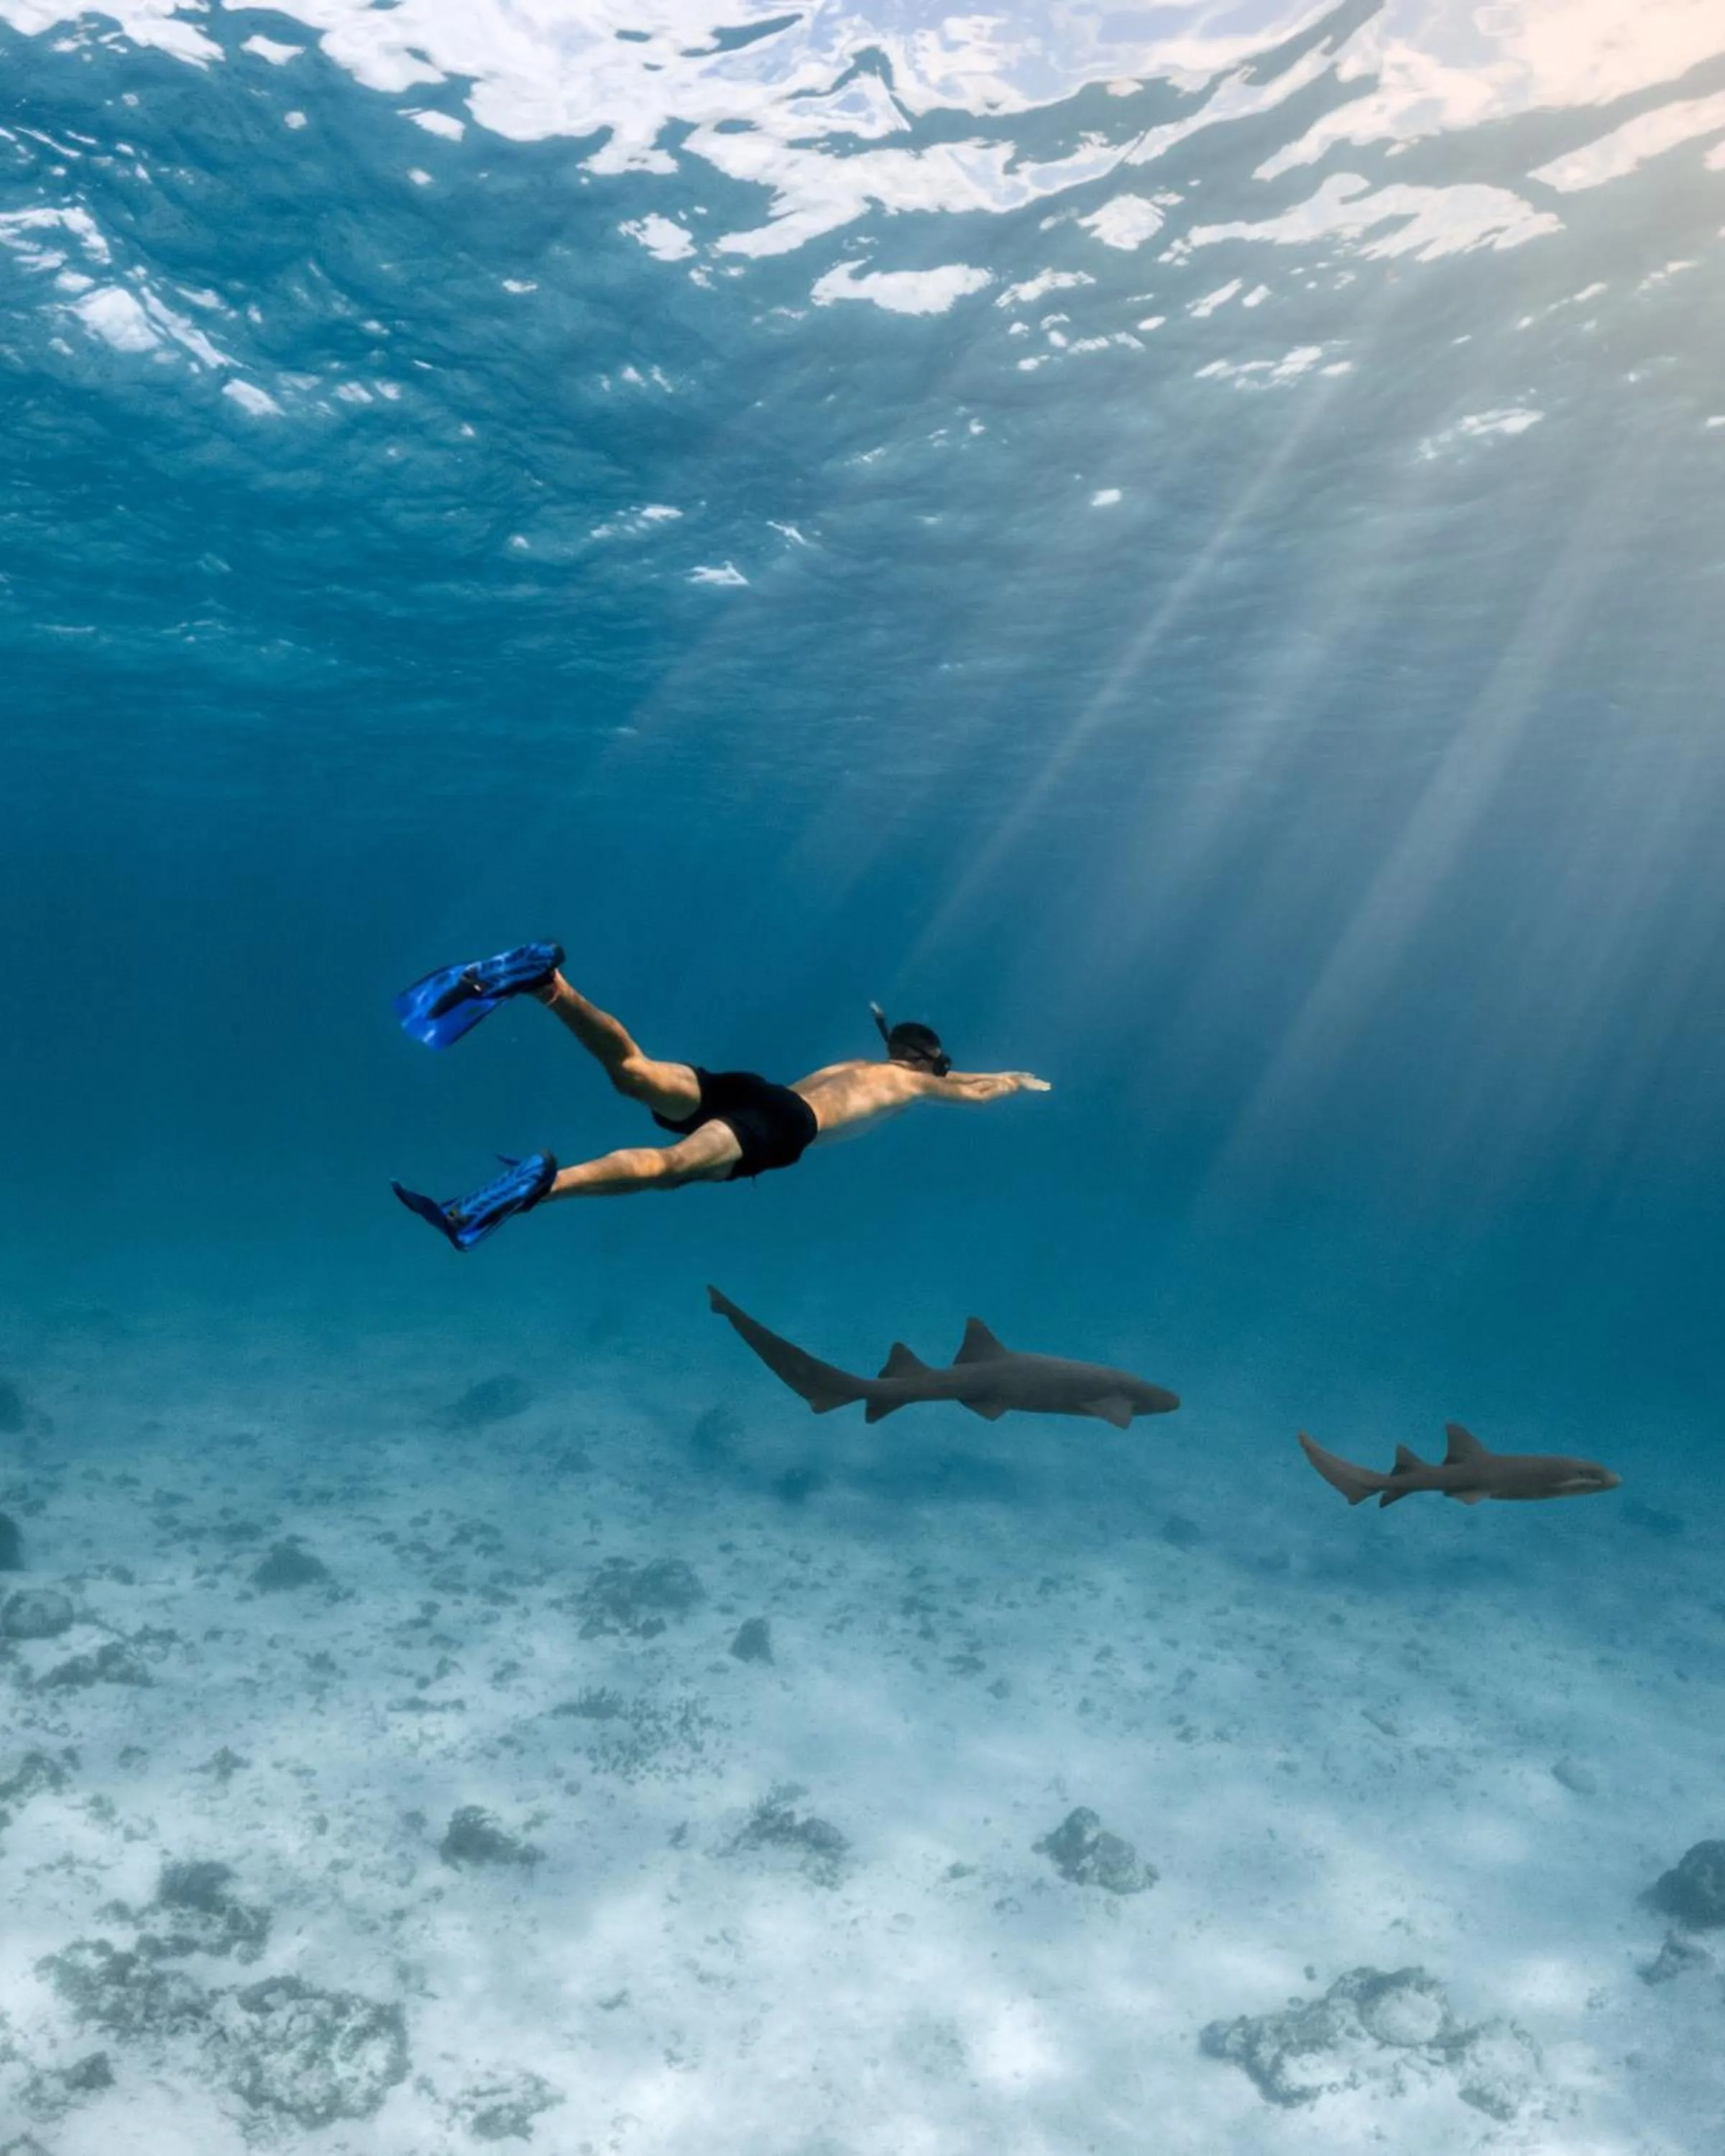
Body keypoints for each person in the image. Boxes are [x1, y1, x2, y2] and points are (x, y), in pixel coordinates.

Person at [390, 941, 1051, 1249]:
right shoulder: (913, 1084)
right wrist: (1012, 1083)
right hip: (788, 1125)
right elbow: (970, 1092)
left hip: (752, 1089)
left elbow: (934, 1075)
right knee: (667, 1170)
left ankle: (548, 986)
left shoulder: (862, 1064)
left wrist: (948, 1072)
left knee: (632, 1068)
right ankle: (539, 1189)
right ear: (931, 1063)